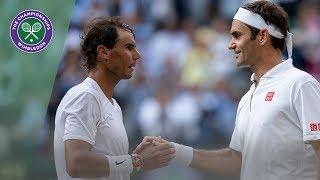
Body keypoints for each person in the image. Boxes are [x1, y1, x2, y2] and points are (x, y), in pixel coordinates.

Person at [136, 1, 320, 180]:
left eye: (237, 35)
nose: (230, 44)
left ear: (262, 37)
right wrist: (174, 151)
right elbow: (236, 160)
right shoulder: (248, 97)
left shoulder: (301, 84)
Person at [53, 17, 175, 180]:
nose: (137, 55)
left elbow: (111, 166)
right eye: (129, 47)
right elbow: (76, 163)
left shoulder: (113, 105)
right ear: (104, 53)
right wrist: (137, 161)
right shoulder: (86, 96)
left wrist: (135, 157)